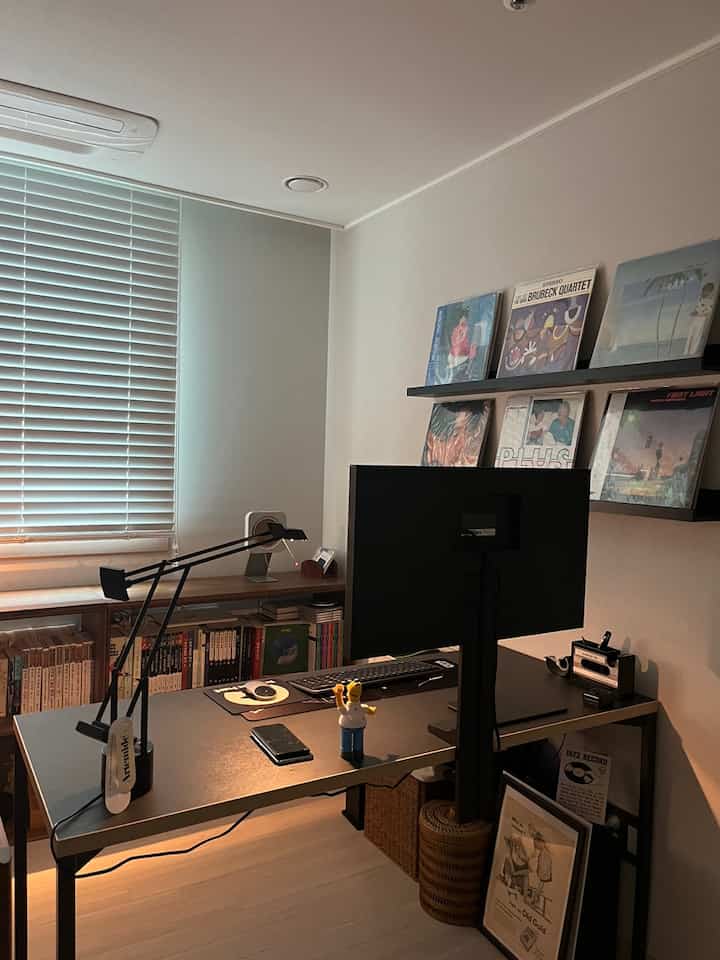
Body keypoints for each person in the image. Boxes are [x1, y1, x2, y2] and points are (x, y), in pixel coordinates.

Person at [333, 680, 377, 764]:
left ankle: (347, 753)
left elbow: (341, 707)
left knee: (348, 742)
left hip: (349, 727)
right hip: (357, 726)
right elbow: (369, 710)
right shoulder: (361, 708)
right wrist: (338, 695)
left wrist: (338, 695)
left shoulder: (351, 708)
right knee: (357, 742)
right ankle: (356, 753)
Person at [446, 309, 478, 381]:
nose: (463, 320)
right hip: (456, 357)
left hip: (464, 358)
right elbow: (453, 342)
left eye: (465, 319)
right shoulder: (456, 330)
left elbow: (473, 345)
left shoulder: (470, 329)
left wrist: (471, 358)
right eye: (461, 318)